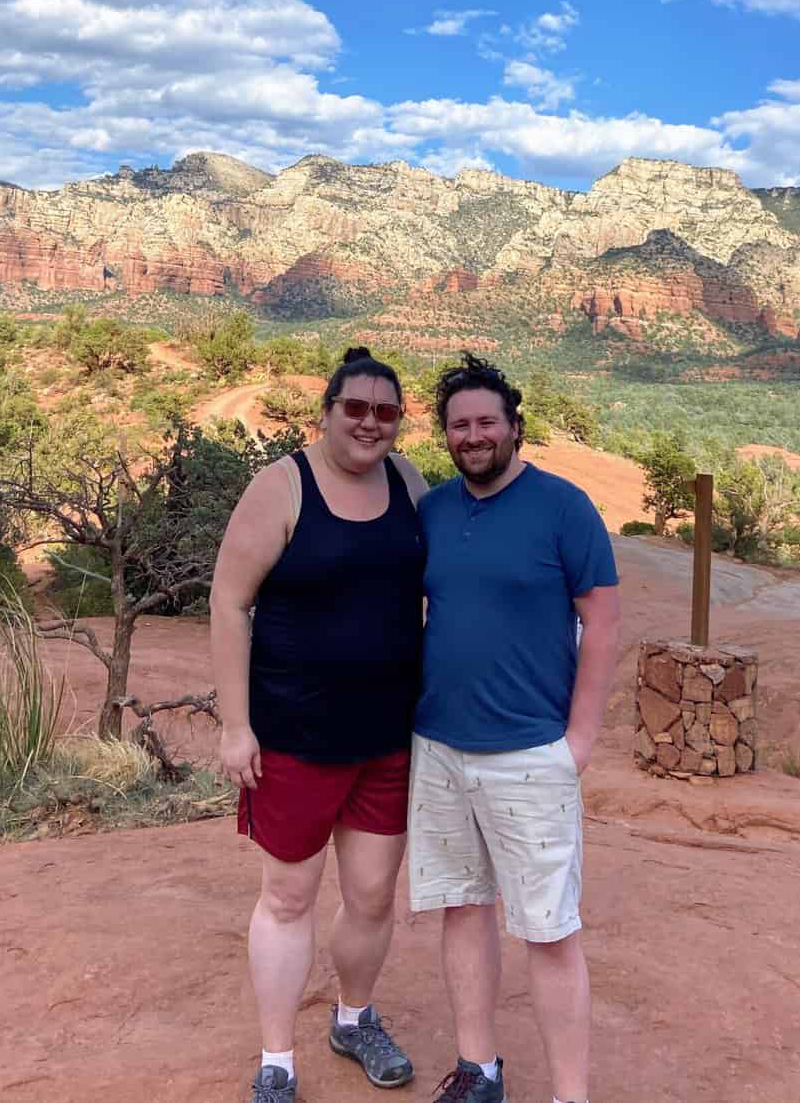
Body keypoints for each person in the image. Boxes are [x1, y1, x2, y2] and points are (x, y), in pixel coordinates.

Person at [210, 346, 428, 1103]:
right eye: (356, 408)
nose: (370, 422)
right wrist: (236, 724)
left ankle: (353, 1017)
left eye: (385, 411)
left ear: (398, 422)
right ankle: (277, 1060)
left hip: (386, 738)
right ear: (327, 412)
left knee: (371, 894)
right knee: (288, 897)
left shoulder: (407, 482)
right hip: (295, 737)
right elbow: (229, 602)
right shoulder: (282, 486)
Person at [409, 354, 620, 1103]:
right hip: (438, 745)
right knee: (463, 907)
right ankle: (479, 1070)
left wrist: (580, 740)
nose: (473, 436)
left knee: (550, 930)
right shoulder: (432, 512)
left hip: (532, 751)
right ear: (447, 434)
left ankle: (570, 1094)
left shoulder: (564, 507)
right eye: (459, 424)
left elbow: (602, 620)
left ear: (514, 427)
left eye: (486, 422)